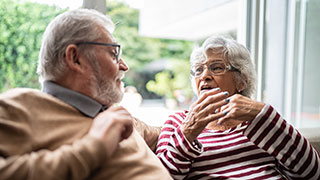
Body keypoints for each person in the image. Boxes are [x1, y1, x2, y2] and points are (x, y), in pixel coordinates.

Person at [0, 9, 171, 180]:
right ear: (75, 58)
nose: (124, 66)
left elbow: (165, 133)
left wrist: (191, 124)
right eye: (113, 54)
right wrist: (94, 146)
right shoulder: (18, 107)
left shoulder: (113, 116)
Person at [156, 36, 320, 179]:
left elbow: (311, 173)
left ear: (242, 80)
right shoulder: (178, 122)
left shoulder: (261, 122)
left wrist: (262, 114)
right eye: (198, 70)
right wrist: (190, 129)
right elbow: (160, 176)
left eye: (217, 67)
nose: (204, 76)